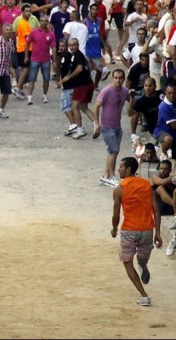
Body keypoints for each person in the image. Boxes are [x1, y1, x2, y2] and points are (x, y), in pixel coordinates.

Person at [111, 157, 162, 307]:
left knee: (127, 262)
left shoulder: (120, 189)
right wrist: (157, 233)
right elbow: (156, 209)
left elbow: (116, 215)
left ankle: (144, 296)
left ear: (128, 169)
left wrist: (114, 229)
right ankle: (143, 263)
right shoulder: (146, 185)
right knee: (142, 257)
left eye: (121, 167)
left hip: (129, 230)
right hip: (147, 229)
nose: (119, 169)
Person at [93, 69, 130, 187]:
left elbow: (132, 103)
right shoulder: (107, 91)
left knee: (112, 152)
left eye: (120, 78)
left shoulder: (125, 91)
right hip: (107, 125)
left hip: (117, 126)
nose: (118, 80)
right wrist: (97, 123)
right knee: (114, 151)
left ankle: (105, 176)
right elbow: (97, 106)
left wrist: (134, 97)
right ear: (112, 78)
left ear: (123, 79)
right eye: (116, 78)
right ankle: (112, 177)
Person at [57, 38, 96, 140]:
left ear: (78, 45)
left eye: (73, 45)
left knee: (73, 107)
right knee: (83, 107)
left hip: (81, 85)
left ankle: (78, 128)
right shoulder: (77, 56)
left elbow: (79, 69)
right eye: (70, 45)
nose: (72, 47)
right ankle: (96, 124)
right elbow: (89, 65)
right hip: (87, 84)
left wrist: (67, 78)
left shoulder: (77, 55)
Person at [24, 14, 56, 105]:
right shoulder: (33, 32)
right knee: (32, 79)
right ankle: (29, 97)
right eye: (42, 21)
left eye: (45, 21)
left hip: (46, 59)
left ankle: (44, 95)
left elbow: (53, 47)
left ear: (48, 22)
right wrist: (26, 56)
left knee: (46, 79)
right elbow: (27, 44)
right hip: (34, 59)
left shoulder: (51, 34)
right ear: (40, 21)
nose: (43, 23)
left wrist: (54, 60)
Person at [11, 4, 38, 99]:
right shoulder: (22, 23)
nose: (28, 13)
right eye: (26, 11)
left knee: (24, 69)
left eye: (29, 11)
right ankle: (17, 88)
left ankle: (19, 89)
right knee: (26, 69)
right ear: (22, 12)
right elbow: (28, 38)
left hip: (25, 48)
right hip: (24, 49)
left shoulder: (26, 22)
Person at [153, 82, 176, 160]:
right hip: (162, 131)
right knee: (168, 139)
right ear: (165, 92)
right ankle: (163, 153)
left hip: (173, 131)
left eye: (174, 93)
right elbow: (174, 125)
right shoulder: (164, 106)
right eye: (169, 93)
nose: (172, 96)